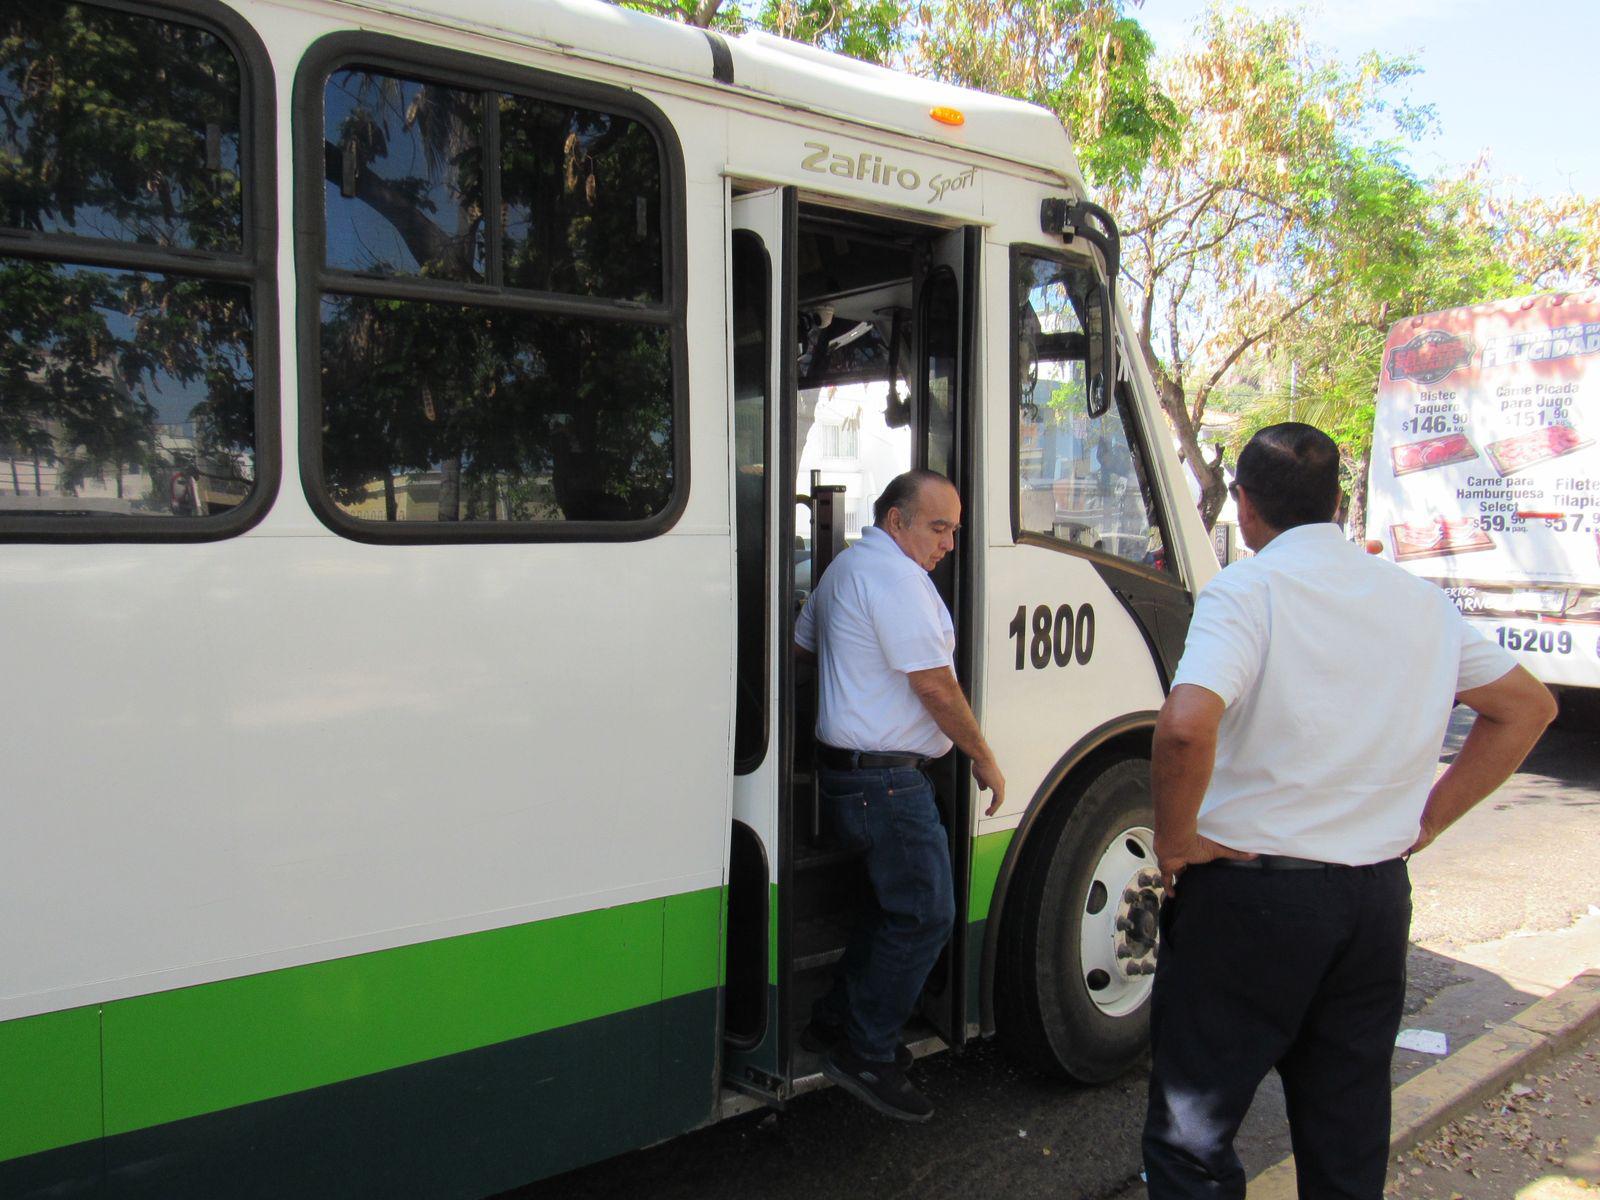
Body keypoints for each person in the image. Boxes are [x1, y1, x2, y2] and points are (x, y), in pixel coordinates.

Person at [1142, 423, 1555, 1198]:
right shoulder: (1419, 603)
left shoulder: (1248, 590)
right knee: (1347, 1127)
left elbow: (1185, 727)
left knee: (1194, 1136)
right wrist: (1429, 820)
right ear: (1338, 501)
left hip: (1251, 897)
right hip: (1373, 900)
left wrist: (1175, 843)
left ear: (1243, 505)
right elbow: (1527, 707)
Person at [795, 468, 1005, 1123]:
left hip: (850, 776)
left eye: (954, 530)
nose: (948, 544)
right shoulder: (895, 578)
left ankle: (835, 1020)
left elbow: (802, 648)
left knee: (889, 909)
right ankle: (866, 1052)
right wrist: (983, 757)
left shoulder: (844, 570)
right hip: (886, 783)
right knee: (925, 915)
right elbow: (936, 686)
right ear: (896, 520)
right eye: (938, 528)